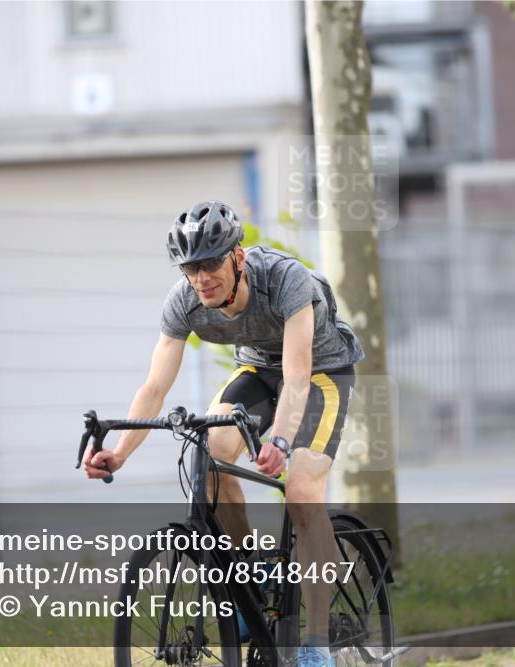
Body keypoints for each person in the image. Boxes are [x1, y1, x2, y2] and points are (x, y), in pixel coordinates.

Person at [81, 200, 364, 667]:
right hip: (257, 369)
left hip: (321, 374)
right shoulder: (185, 300)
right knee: (211, 454)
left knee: (301, 491)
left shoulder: (286, 281)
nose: (201, 277)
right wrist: (120, 453)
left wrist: (278, 442)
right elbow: (154, 386)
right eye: (191, 268)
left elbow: (297, 377)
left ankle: (316, 643)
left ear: (239, 257)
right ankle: (248, 576)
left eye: (211, 263)